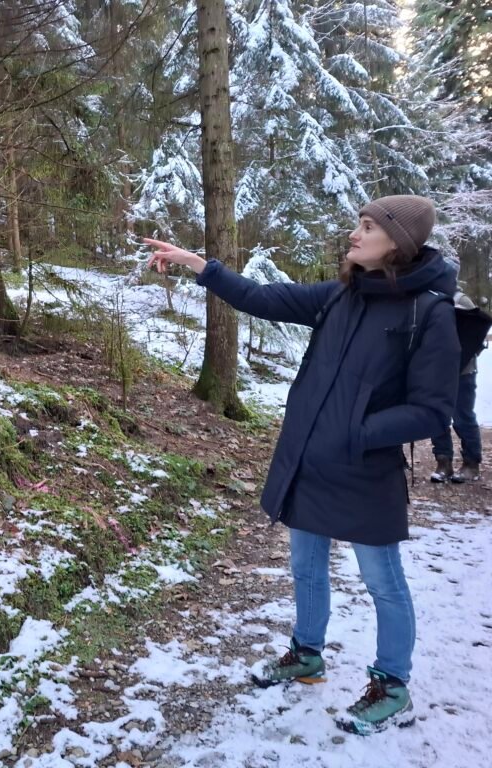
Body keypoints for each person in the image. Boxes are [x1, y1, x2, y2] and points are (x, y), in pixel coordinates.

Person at [143, 195, 460, 736]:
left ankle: (392, 685)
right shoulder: (340, 295)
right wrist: (198, 264)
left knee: (383, 583)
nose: (354, 234)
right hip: (309, 462)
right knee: (306, 567)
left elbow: (433, 411)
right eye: (358, 224)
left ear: (398, 243)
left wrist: (357, 433)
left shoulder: (428, 313)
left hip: (365, 470)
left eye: (367, 227)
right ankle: (307, 654)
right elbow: (260, 297)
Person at [430, 287, 482, 483]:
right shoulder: (429, 299)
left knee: (463, 417)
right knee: (437, 417)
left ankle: (471, 464)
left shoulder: (461, 300)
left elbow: (476, 335)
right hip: (436, 372)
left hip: (463, 372)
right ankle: (443, 462)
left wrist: (463, 357)